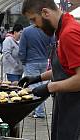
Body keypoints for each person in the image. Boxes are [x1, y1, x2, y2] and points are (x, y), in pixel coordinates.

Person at [19, 0, 80, 139]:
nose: (35, 26)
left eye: (34, 20)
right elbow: (65, 69)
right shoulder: (62, 30)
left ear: (45, 12)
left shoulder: (69, 33)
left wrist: (50, 87)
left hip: (75, 107)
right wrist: (38, 78)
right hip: (66, 103)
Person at [19, 25, 54, 118]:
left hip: (31, 61)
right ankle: (38, 110)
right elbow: (52, 45)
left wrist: (23, 60)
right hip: (44, 61)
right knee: (41, 85)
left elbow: (22, 49)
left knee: (34, 86)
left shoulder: (26, 31)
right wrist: (47, 56)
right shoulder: (47, 29)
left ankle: (39, 112)